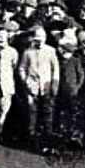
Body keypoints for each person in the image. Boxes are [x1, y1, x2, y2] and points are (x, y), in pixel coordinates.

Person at [17, 25, 60, 153]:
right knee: (32, 113)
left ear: (45, 38)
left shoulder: (51, 51)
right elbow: (21, 68)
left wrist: (54, 86)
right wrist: (26, 82)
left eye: (42, 38)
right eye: (37, 38)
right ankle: (32, 141)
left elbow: (56, 69)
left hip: (46, 87)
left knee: (48, 113)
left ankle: (48, 141)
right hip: (32, 87)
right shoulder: (27, 52)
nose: (39, 41)